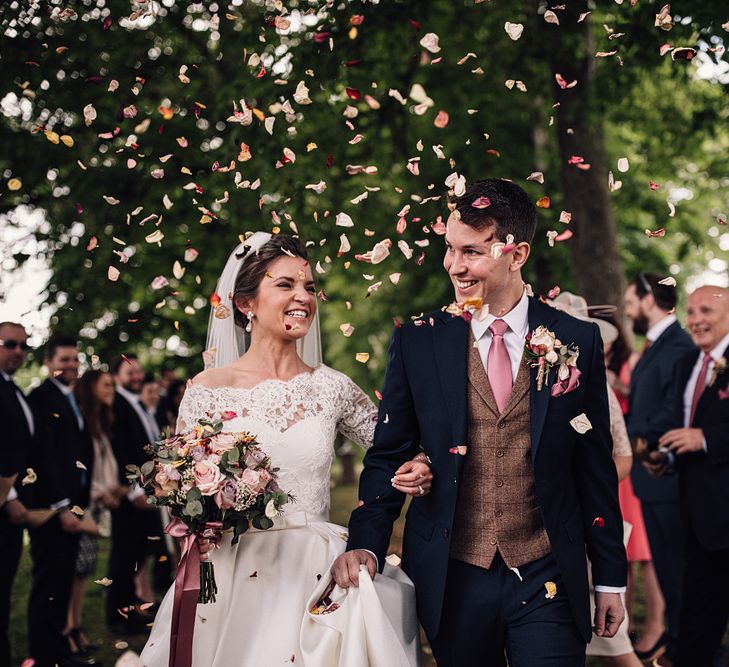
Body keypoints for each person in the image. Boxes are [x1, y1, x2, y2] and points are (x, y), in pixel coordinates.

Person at [334, 179, 628, 666]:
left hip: (547, 570)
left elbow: (593, 467)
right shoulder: (418, 341)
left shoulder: (577, 340)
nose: (454, 266)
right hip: (454, 575)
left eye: (471, 252)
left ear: (516, 253)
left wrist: (611, 579)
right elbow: (387, 454)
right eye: (450, 249)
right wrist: (366, 542)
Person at [141, 232, 432, 666]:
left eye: (310, 287)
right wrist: (206, 507)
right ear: (245, 304)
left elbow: (395, 447)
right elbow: (181, 489)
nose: (303, 297)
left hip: (313, 569)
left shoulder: (331, 387)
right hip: (232, 570)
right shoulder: (206, 392)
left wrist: (421, 462)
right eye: (285, 285)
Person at [550, 295, 641, 667]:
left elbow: (623, 456)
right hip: (540, 528)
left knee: (614, 642)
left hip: (585, 522)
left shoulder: (597, 385)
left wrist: (583, 483)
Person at [646, 285, 729, 667]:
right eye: (691, 312)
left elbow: (701, 433)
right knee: (697, 614)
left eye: (706, 312)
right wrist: (666, 456)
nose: (695, 321)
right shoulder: (688, 365)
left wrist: (706, 438)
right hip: (697, 515)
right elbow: (679, 425)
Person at [623, 273, 695, 661]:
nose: (628, 309)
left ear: (648, 297)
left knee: (679, 575)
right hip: (650, 481)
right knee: (669, 574)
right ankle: (681, 645)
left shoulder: (679, 346)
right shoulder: (656, 346)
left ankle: (691, 649)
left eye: (631, 300)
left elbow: (674, 411)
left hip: (667, 477)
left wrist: (627, 434)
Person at [27, 336, 97, 667]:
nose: (71, 365)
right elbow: (43, 458)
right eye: (64, 359)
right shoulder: (40, 398)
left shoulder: (74, 399)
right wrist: (62, 506)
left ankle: (59, 651)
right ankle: (46, 655)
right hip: (53, 508)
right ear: (47, 362)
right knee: (49, 584)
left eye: (74, 359)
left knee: (64, 580)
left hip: (75, 505)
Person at [599, 313, 655, 644]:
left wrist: (615, 381)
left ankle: (630, 626)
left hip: (622, 466)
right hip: (600, 463)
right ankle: (621, 625)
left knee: (630, 548)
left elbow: (637, 399)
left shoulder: (626, 364)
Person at [65, 370, 123, 658]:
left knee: (84, 571)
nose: (112, 389)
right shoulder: (84, 423)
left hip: (99, 502)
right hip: (84, 504)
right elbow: (85, 466)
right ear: (91, 388)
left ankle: (77, 628)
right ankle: (70, 631)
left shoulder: (101, 421)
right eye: (106, 385)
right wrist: (102, 491)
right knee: (75, 572)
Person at [106, 354, 164, 634]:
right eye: (131, 373)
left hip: (143, 491)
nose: (137, 377)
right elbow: (119, 451)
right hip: (128, 495)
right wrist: (132, 491)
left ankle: (130, 607)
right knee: (123, 555)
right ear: (117, 375)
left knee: (136, 554)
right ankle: (118, 615)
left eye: (139, 372)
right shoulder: (116, 404)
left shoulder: (136, 404)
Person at [0, 322, 33, 667]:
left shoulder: (13, 390)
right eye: (10, 344)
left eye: (24, 346)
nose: (18, 352)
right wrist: (8, 499)